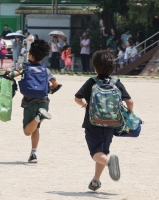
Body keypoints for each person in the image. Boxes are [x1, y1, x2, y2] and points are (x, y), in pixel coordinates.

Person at [74, 50, 133, 191]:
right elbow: (129, 102)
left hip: (92, 123)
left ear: (95, 67)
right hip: (111, 124)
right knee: (103, 151)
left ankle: (109, 163)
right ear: (112, 68)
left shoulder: (91, 82)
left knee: (95, 152)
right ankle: (96, 181)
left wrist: (85, 106)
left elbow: (77, 98)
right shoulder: (116, 82)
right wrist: (129, 114)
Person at [7, 39, 62, 163]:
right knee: (36, 129)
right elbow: (55, 84)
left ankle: (38, 117)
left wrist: (7, 75)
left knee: (27, 131)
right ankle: (33, 154)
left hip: (29, 102)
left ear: (31, 55)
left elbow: (12, 75)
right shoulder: (45, 70)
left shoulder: (25, 68)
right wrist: (49, 88)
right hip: (44, 102)